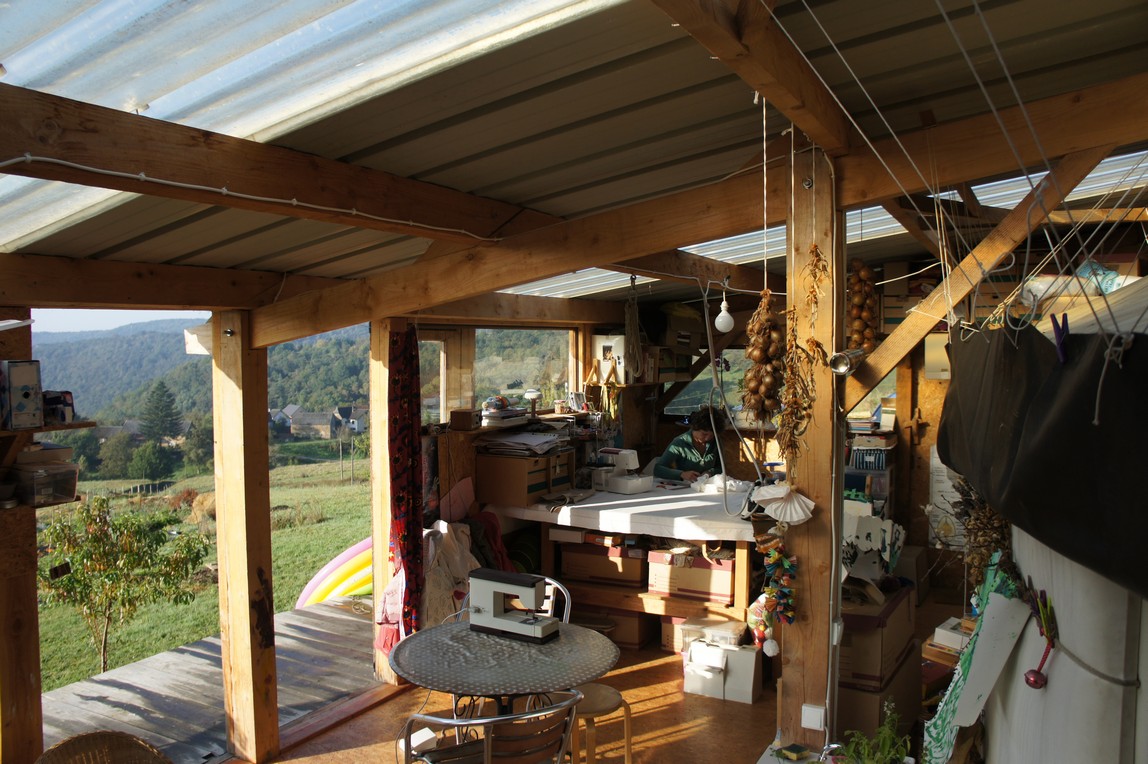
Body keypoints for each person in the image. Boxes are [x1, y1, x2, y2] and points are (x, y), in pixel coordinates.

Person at [654, 406, 726, 482]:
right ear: (695, 427)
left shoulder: (716, 441)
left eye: (712, 435)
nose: (707, 438)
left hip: (708, 485)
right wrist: (682, 474)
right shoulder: (679, 442)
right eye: (704, 434)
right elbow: (658, 469)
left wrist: (710, 472)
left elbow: (721, 467)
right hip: (685, 486)